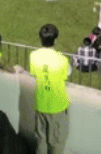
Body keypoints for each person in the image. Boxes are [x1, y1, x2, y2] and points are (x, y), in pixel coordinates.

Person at [29, 24, 71, 154]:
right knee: (56, 145)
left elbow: (34, 73)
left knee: (41, 142)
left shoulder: (34, 56)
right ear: (56, 39)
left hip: (41, 105)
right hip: (57, 107)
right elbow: (67, 74)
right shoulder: (62, 60)